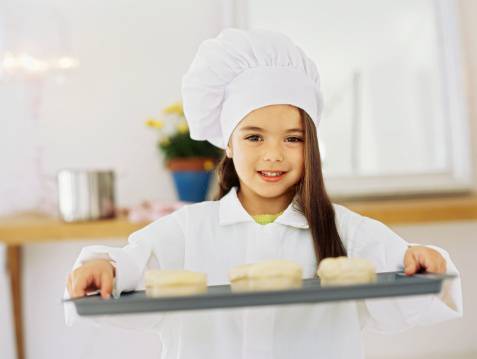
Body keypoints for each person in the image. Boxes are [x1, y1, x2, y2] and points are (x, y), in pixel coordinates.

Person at [65, 28, 462, 359]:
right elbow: (129, 263)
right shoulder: (188, 229)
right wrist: (105, 268)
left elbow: (407, 274)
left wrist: (425, 260)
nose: (274, 154)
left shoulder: (344, 230)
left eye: (293, 138)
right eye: (254, 136)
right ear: (229, 144)